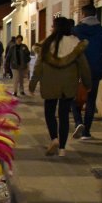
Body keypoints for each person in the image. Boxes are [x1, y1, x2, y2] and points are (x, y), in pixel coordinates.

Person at [29, 17, 91, 157]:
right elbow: (84, 66)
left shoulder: (46, 44)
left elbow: (38, 67)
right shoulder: (76, 44)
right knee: (64, 115)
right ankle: (62, 149)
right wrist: (87, 84)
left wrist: (33, 83)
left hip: (50, 83)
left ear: (55, 28)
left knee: (49, 112)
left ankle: (54, 139)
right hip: (68, 84)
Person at [70, 4, 102, 140]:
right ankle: (86, 132)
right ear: (95, 14)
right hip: (95, 70)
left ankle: (78, 122)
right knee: (91, 100)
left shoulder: (75, 30)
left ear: (83, 14)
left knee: (74, 98)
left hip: (76, 70)